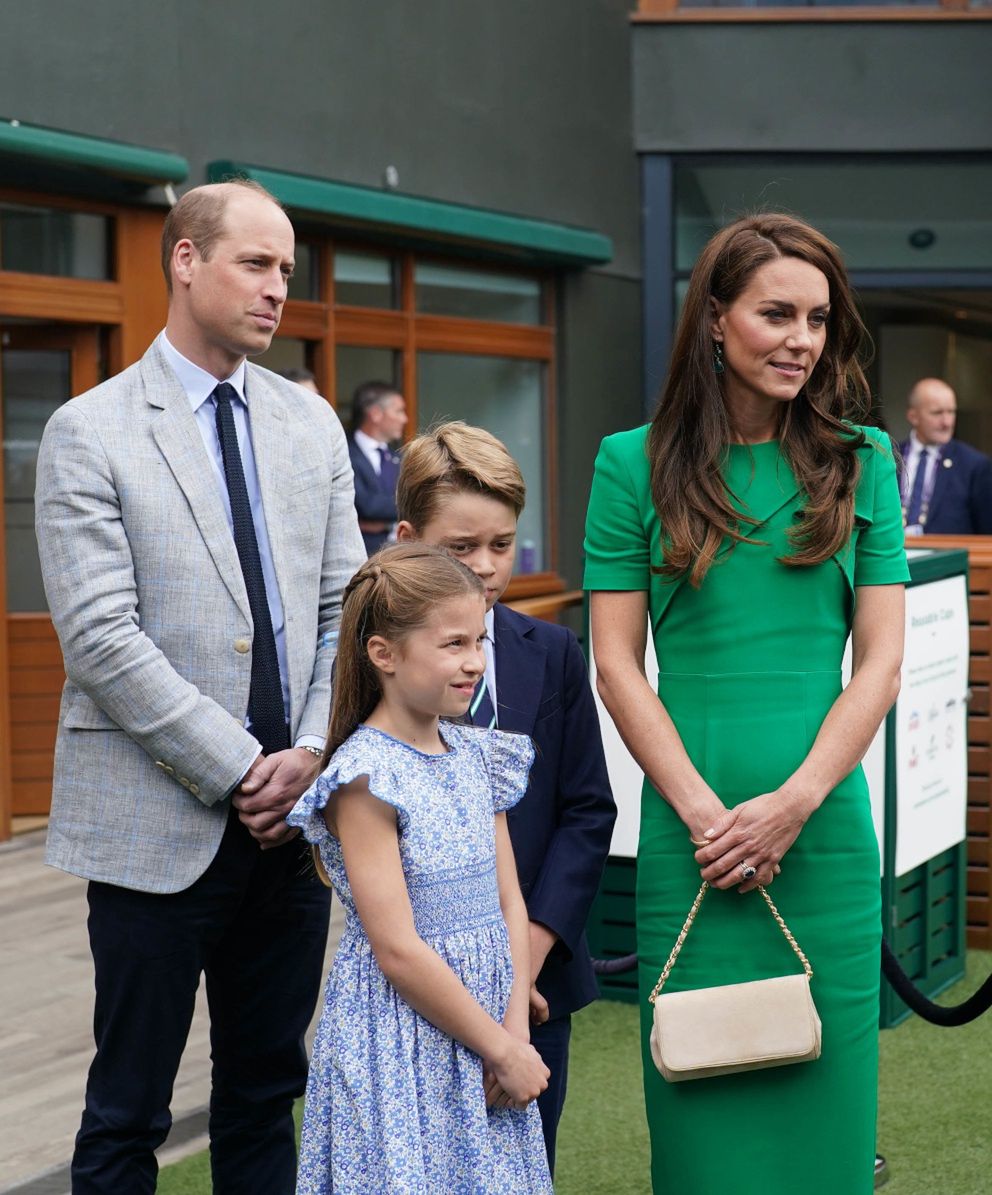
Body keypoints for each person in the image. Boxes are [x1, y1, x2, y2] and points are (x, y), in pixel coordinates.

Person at [34, 179, 366, 1194]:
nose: (277, 290)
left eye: (286, 272)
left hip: (292, 827)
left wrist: (307, 756)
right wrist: (239, 771)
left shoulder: (310, 426)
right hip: (154, 826)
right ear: (185, 259)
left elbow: (345, 609)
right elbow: (99, 636)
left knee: (266, 1093)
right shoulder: (89, 431)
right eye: (256, 264)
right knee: (127, 1108)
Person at [584, 212, 908, 1194]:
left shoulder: (862, 459)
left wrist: (794, 802)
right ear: (714, 319)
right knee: (699, 1137)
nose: (801, 340)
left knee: (826, 1137)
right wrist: (699, 815)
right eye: (776, 313)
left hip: (822, 838)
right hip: (691, 839)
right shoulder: (626, 463)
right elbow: (614, 664)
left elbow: (879, 663)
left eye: (817, 318)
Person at [287, 544, 553, 1193]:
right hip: (401, 1044)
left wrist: (512, 1032)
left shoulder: (477, 753)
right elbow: (398, 949)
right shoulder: (366, 778)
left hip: (489, 1032)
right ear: (385, 654)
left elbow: (509, 902)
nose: (474, 661)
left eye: (479, 639)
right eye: (452, 642)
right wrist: (498, 1047)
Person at [394, 421, 616, 1173]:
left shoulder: (549, 651)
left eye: (502, 544)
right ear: (406, 538)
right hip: (418, 989)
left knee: (523, 1166)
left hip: (540, 980)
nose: (486, 568)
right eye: (460, 547)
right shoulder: (379, 664)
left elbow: (587, 810)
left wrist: (524, 959)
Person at [898, 376, 992, 535]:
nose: (947, 422)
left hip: (948, 557)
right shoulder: (888, 457)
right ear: (913, 416)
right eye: (937, 413)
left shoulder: (974, 465)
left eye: (951, 412)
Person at [347, 379, 408, 552]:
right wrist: (402, 506)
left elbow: (416, 501)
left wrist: (384, 522)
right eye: (398, 411)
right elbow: (364, 504)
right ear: (376, 414)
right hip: (360, 554)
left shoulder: (399, 458)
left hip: (396, 555)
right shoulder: (344, 452)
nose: (404, 419)